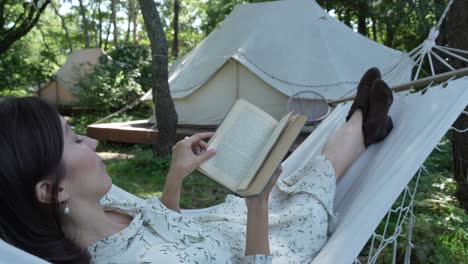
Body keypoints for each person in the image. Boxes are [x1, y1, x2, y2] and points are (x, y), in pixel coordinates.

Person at [0, 68, 393, 264]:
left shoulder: (102, 209)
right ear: (53, 191)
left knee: (283, 184)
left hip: (220, 225)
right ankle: (360, 123)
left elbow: (160, 223)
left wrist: (175, 176)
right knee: (303, 205)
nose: (94, 141)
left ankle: (359, 121)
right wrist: (256, 206)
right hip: (263, 250)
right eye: (74, 140)